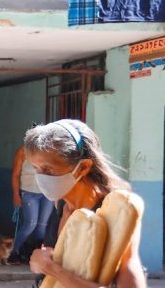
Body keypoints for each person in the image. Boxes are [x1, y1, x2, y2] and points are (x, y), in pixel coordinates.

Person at [25, 119, 146, 288]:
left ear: (83, 168)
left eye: (48, 169)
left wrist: (52, 269)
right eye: (36, 168)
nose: (41, 177)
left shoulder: (116, 214)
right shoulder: (60, 202)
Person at [8, 141, 54, 264]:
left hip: (47, 194)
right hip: (28, 193)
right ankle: (13, 252)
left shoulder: (49, 152)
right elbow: (16, 174)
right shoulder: (22, 152)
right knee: (30, 224)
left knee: (42, 226)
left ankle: (34, 254)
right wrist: (16, 194)